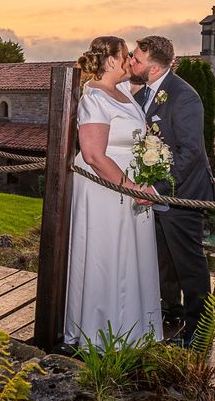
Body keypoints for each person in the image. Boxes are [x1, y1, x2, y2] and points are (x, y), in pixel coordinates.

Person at [63, 36, 163, 349]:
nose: (130, 62)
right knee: (106, 252)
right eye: (126, 56)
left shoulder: (120, 91)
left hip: (131, 183)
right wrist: (131, 187)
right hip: (105, 186)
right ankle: (99, 331)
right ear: (110, 62)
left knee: (131, 253)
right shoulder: (95, 96)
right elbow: (93, 154)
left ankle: (132, 330)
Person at [128, 35, 215, 345]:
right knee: (162, 258)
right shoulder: (144, 93)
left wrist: (157, 188)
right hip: (154, 193)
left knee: (189, 265)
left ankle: (199, 332)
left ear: (153, 68)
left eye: (136, 59)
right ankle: (171, 312)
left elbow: (190, 152)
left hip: (183, 194)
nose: (130, 62)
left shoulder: (184, 96)